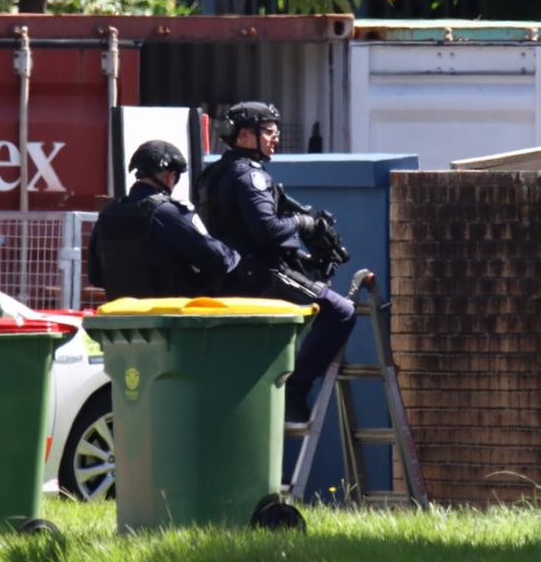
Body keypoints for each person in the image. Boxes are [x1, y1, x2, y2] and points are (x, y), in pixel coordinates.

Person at [197, 101, 357, 423]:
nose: (276, 138)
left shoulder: (213, 174)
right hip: (262, 276)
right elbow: (267, 230)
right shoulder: (249, 175)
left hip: (228, 279)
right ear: (244, 135)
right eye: (268, 131)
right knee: (342, 313)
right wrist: (303, 224)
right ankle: (296, 389)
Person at [88, 140, 240, 300]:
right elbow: (218, 259)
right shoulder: (169, 212)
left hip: (121, 317)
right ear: (171, 176)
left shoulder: (108, 213)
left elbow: (96, 275)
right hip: (167, 317)